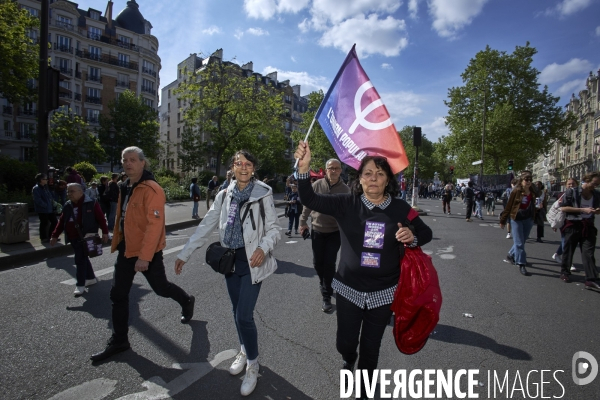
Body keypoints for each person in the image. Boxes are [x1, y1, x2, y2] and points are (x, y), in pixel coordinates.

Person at [294, 141, 432, 396]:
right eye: (368, 173)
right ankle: (349, 356)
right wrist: (303, 169)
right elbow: (309, 198)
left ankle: (365, 389)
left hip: (383, 291)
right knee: (345, 342)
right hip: (348, 289)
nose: (373, 178)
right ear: (360, 178)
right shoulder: (346, 203)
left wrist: (410, 236)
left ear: (388, 179)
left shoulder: (401, 208)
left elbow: (425, 232)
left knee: (372, 345)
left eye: (380, 174)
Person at [174, 150, 280, 396]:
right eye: (239, 163)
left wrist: (263, 249)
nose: (243, 167)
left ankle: (253, 364)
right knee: (235, 311)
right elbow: (206, 225)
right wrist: (184, 253)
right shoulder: (224, 194)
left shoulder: (263, 192)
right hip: (230, 260)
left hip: (252, 260)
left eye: (248, 164)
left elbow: (274, 228)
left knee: (244, 315)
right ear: (233, 167)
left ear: (254, 167)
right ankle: (244, 349)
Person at [90, 147, 195, 362]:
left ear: (142, 163)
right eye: (124, 160)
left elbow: (154, 226)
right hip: (126, 250)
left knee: (161, 288)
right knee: (118, 295)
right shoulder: (124, 186)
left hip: (147, 252)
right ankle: (120, 340)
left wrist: (145, 257)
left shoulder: (152, 189)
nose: (128, 163)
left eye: (132, 160)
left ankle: (186, 300)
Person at [299, 158, 350, 313]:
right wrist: (302, 222)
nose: (333, 171)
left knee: (329, 263)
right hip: (317, 230)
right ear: (326, 170)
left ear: (341, 170)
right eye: (330, 168)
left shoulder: (346, 190)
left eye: (336, 168)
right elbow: (307, 205)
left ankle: (326, 295)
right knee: (317, 263)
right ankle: (324, 282)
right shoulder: (316, 185)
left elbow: (349, 212)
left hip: (335, 232)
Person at [50, 183, 109, 296]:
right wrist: (55, 235)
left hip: (86, 236)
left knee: (80, 259)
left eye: (72, 191)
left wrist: (105, 232)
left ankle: (80, 284)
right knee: (83, 257)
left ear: (80, 192)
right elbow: (62, 221)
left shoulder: (91, 203)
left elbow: (101, 218)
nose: (69, 194)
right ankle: (90, 277)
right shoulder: (68, 205)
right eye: (68, 191)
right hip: (73, 237)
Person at [557, 172, 600, 291]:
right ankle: (565, 272)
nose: (595, 186)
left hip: (588, 226)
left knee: (589, 252)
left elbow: (597, 209)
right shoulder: (573, 192)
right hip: (573, 224)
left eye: (597, 184)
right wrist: (582, 209)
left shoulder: (596, 194)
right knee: (569, 250)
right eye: (594, 183)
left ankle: (591, 279)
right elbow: (563, 207)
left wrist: (596, 211)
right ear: (587, 180)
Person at [500, 171, 537, 276]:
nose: (528, 182)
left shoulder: (533, 191)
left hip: (528, 218)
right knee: (519, 243)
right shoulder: (516, 191)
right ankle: (521, 263)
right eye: (526, 180)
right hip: (516, 218)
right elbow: (509, 206)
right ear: (522, 180)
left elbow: (537, 202)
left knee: (522, 240)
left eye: (530, 180)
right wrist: (503, 220)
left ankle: (511, 254)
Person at [552, 177, 578, 268]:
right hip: (564, 221)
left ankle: (557, 254)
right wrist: (554, 223)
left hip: (576, 221)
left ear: (577, 185)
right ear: (566, 185)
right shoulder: (562, 195)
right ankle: (568, 262)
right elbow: (557, 210)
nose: (571, 185)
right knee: (565, 240)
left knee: (568, 240)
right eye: (569, 184)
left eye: (573, 184)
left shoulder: (580, 195)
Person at [32, 173, 58, 242]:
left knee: (54, 221)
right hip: (42, 209)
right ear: (41, 180)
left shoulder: (45, 187)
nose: (47, 180)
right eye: (45, 179)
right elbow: (37, 199)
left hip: (49, 208)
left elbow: (49, 197)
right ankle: (43, 238)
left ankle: (51, 236)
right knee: (44, 223)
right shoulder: (36, 188)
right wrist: (45, 205)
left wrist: (53, 203)